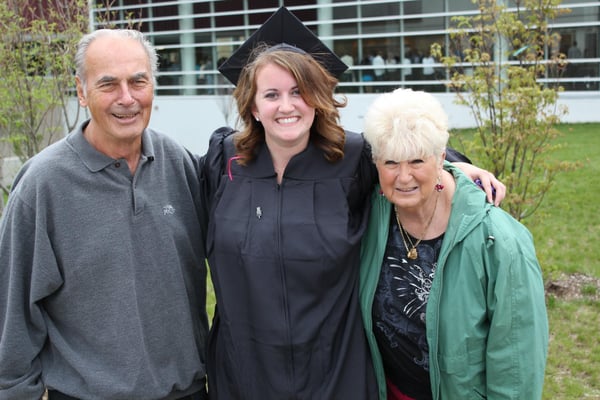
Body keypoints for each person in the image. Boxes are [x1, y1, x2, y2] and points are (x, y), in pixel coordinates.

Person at [202, 7, 504, 399]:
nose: (287, 105)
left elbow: (408, 163)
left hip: (334, 371)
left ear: (318, 98)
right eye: (272, 94)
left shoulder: (352, 157)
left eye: (299, 91)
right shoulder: (224, 161)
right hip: (243, 372)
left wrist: (458, 169)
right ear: (253, 106)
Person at [0, 29, 209, 399]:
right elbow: (12, 320)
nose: (126, 98)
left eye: (138, 81)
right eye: (108, 84)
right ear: (81, 91)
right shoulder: (42, 187)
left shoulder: (179, 164)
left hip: (188, 391)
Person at [359, 88, 549, 400]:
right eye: (391, 162)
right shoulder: (373, 217)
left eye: (417, 160)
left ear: (442, 158)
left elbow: (516, 366)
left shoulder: (500, 242)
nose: (403, 177)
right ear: (376, 162)